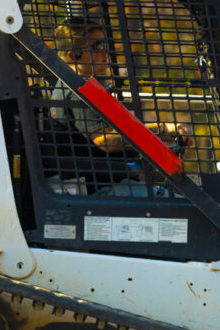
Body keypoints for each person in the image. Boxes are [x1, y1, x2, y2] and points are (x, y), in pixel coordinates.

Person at [45, 17, 192, 196]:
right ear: (73, 55)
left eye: (104, 43)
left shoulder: (81, 85)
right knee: (179, 209)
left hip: (111, 179)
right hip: (101, 188)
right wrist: (164, 129)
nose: (104, 50)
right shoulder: (77, 90)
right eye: (97, 46)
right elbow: (106, 141)